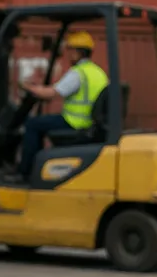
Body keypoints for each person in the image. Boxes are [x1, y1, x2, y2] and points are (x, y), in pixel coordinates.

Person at [19, 30, 109, 176]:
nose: (68, 54)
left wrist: (28, 87)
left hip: (75, 123)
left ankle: (25, 172)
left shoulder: (78, 73)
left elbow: (53, 93)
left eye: (70, 50)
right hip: (90, 123)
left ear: (77, 52)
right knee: (41, 123)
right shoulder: (98, 72)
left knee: (32, 124)